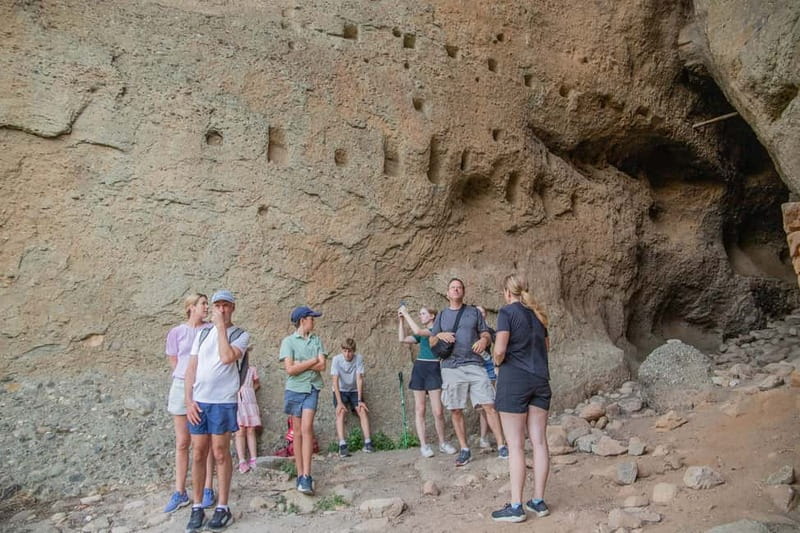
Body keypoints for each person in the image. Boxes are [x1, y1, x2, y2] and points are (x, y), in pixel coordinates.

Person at [184, 290, 250, 532]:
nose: (221, 310)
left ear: (233, 308)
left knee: (221, 453)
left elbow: (226, 357)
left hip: (223, 401)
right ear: (212, 308)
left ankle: (222, 506)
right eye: (217, 306)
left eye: (226, 306)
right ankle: (197, 506)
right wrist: (188, 400)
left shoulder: (240, 335)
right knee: (199, 453)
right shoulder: (201, 334)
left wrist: (221, 328)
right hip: (200, 401)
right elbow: (191, 368)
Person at [490, 274, 552, 523]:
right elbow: (546, 347)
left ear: (507, 292)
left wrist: (495, 363)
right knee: (539, 442)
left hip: (515, 380)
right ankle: (538, 501)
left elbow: (500, 348)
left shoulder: (506, 313)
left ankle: (516, 506)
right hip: (540, 380)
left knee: (515, 445)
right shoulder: (538, 314)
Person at [430, 278, 507, 467]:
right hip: (451, 366)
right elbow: (432, 341)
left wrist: (484, 341)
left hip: (475, 364)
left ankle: (502, 445)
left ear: (463, 291)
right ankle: (465, 449)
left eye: (459, 287)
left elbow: (486, 333)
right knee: (456, 409)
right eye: (452, 288)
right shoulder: (441, 315)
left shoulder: (473, 312)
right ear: (447, 293)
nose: (455, 290)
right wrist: (440, 335)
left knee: (489, 404)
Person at [163, 293, 216, 513]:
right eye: (203, 304)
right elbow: (174, 361)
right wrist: (186, 378)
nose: (206, 307)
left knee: (205, 441)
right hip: (181, 386)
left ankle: (207, 488)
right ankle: (180, 491)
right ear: (191, 307)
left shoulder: (210, 329)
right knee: (183, 441)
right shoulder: (176, 332)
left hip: (204, 388)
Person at [279, 306, 327, 495]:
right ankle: (300, 474)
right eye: (311, 318)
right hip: (294, 390)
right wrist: (311, 362)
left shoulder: (317, 340)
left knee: (307, 428)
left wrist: (302, 364)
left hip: (311, 389)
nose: (313, 321)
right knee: (297, 432)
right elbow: (289, 369)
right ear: (302, 321)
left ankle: (307, 475)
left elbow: (322, 365)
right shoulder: (288, 341)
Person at [398, 306, 457, 458]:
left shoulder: (436, 330)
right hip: (420, 368)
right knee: (420, 409)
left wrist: (406, 312)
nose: (421, 316)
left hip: (433, 368)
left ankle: (442, 443)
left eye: (423, 314)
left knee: (438, 411)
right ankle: (423, 445)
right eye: (420, 314)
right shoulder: (422, 333)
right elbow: (402, 339)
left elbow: (418, 331)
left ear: (432, 316)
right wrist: (401, 320)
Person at [330, 338, 374, 456]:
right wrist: (339, 402)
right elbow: (335, 381)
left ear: (353, 351)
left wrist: (360, 400)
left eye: (349, 351)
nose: (347, 354)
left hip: (354, 389)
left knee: (362, 410)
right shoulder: (336, 360)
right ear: (342, 350)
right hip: (340, 390)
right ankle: (342, 445)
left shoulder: (358, 358)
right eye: (344, 351)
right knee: (340, 412)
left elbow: (359, 379)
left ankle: (368, 442)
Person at [475, 305, 498, 450]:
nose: (480, 314)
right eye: (478, 312)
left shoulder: (489, 331)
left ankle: (493, 436)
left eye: (482, 312)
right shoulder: (468, 331)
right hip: (474, 367)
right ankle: (484, 437)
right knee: (482, 406)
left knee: (491, 402)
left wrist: (497, 364)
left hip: (488, 366)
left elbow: (500, 347)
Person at [234, 364, 261, 473]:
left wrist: (249, 391)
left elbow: (257, 383)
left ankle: (254, 458)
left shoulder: (252, 369)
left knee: (251, 429)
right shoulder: (232, 370)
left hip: (249, 402)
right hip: (238, 401)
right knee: (240, 430)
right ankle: (242, 460)